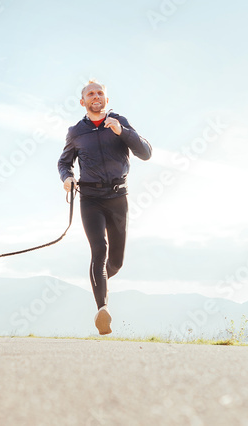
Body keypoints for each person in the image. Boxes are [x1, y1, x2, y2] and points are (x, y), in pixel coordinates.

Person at [57, 80, 152, 335]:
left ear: (106, 100)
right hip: (90, 198)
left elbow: (146, 153)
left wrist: (123, 132)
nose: (95, 96)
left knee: (116, 262)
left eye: (100, 93)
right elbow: (64, 163)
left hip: (118, 198)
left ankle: (99, 281)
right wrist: (66, 177)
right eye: (90, 94)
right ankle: (103, 309)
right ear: (83, 102)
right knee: (99, 249)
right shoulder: (75, 132)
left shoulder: (119, 123)